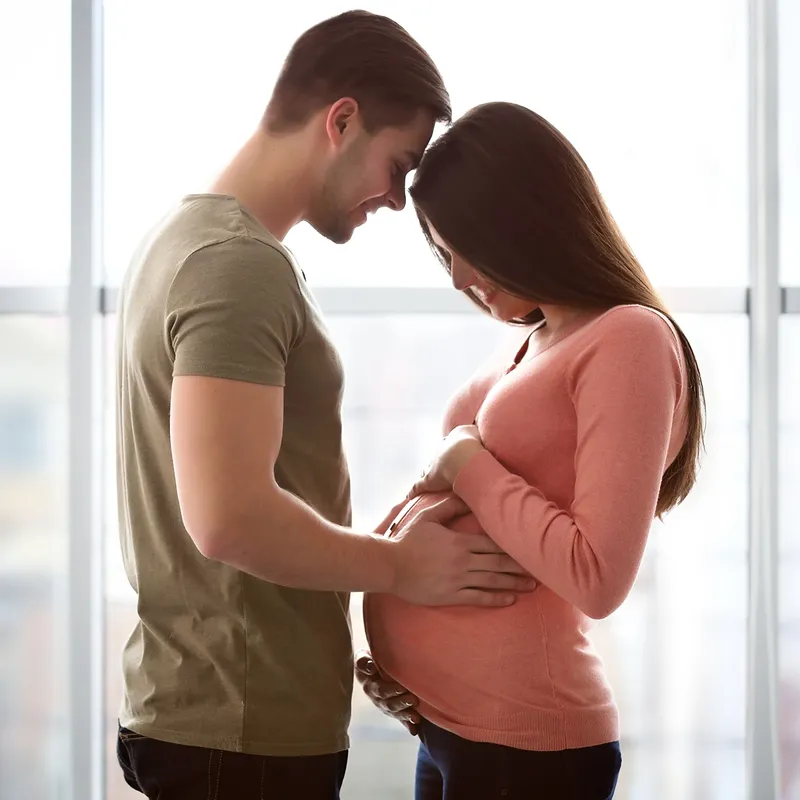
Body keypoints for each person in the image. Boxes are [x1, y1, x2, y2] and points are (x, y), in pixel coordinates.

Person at [114, 15, 536, 800]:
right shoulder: (237, 265)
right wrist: (401, 568)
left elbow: (247, 493)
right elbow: (228, 517)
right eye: (398, 164)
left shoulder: (188, 241)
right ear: (341, 121)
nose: (399, 198)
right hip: (239, 734)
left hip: (220, 720)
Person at [357, 101, 706, 800]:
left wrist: (465, 460)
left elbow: (596, 575)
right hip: (450, 727)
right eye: (440, 251)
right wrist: (394, 634)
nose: (456, 277)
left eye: (464, 247)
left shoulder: (628, 337)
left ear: (522, 223)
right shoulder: (532, 339)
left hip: (524, 747)